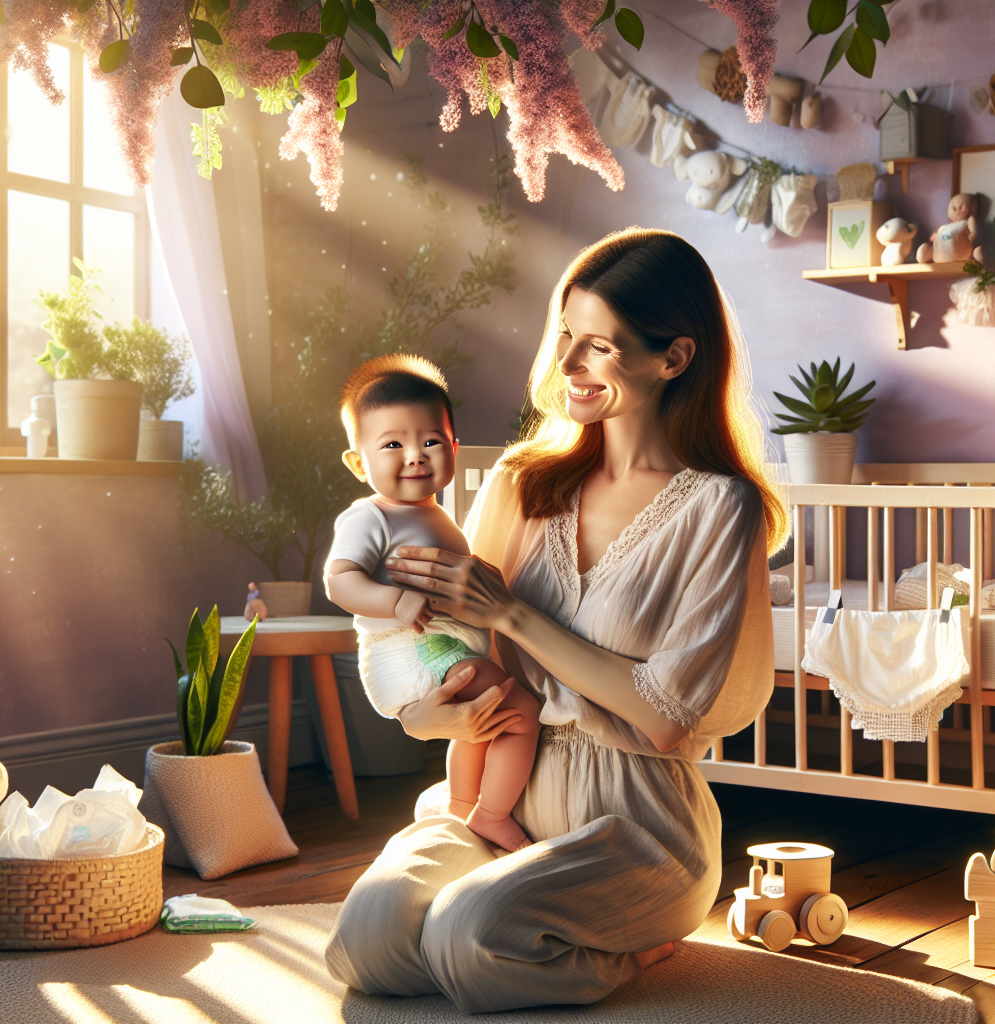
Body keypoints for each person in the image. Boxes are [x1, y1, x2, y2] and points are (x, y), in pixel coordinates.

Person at [323, 228, 787, 1013]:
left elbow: (665, 718)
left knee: (468, 940)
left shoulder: (720, 507)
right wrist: (431, 716)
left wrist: (513, 610)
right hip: (497, 795)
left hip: (635, 823)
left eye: (598, 347)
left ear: (674, 358)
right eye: (567, 334)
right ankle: (519, 930)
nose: (567, 365)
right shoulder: (521, 482)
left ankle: (636, 951)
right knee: (365, 943)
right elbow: (458, 648)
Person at [324, 355, 542, 853]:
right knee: (518, 710)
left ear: (453, 450)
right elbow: (339, 581)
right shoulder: (370, 516)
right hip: (411, 650)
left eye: (431, 441)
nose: (415, 455)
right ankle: (491, 813)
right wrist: (394, 599)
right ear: (360, 463)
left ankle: (462, 808)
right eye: (393, 444)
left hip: (437, 648)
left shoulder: (436, 516)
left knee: (480, 723)